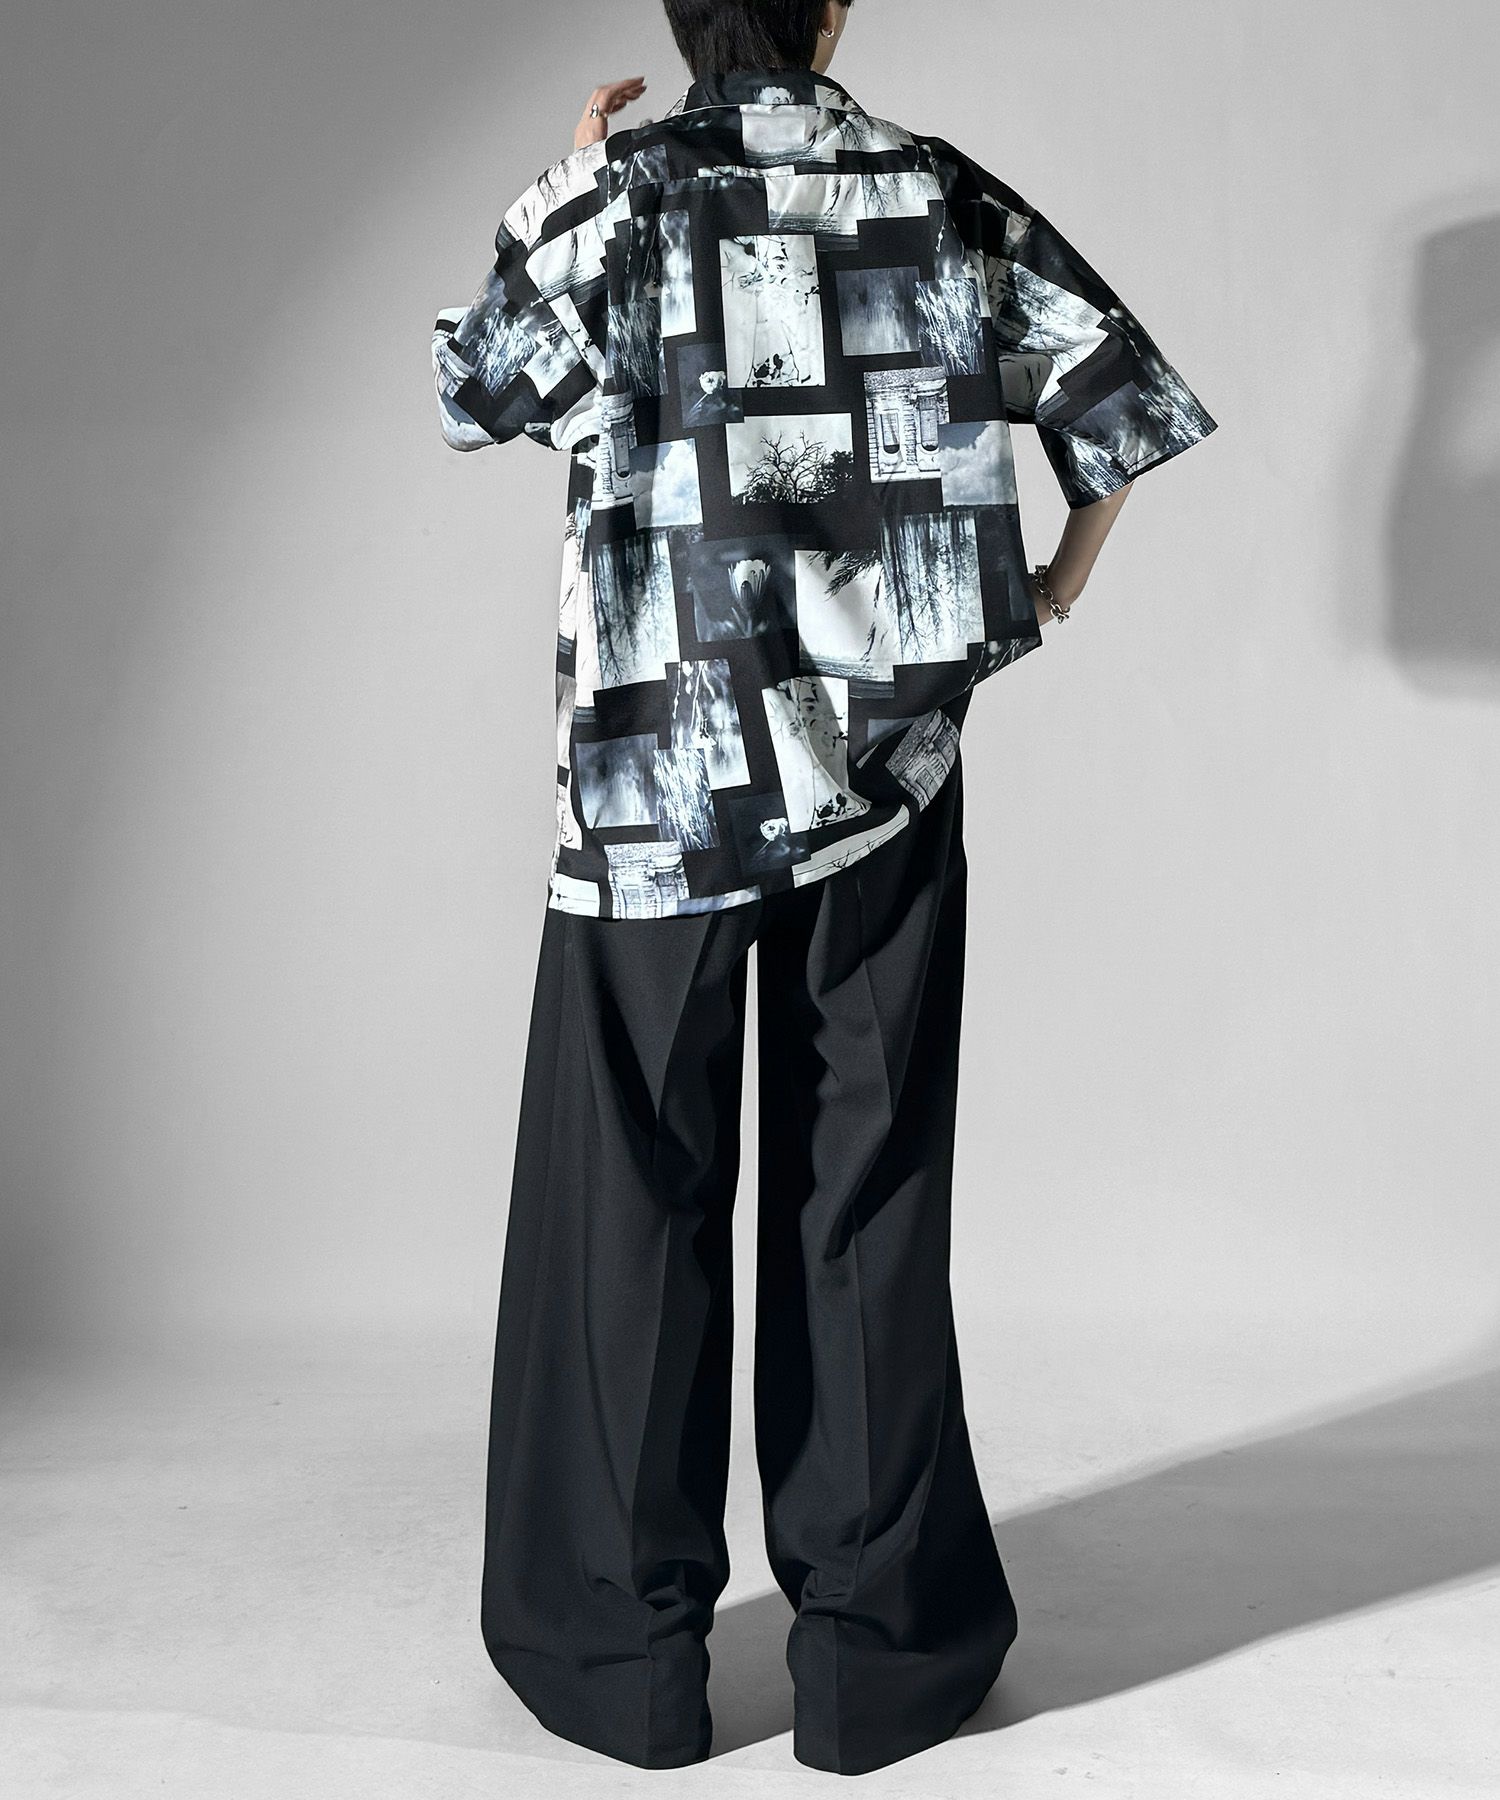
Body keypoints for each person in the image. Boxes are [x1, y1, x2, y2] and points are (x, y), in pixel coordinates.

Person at [431, 0, 1217, 1776]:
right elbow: (1117, 403)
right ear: (835, 5)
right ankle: (877, 1670)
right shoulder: (931, 188)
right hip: (885, 775)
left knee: (630, 1202)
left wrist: (565, 179)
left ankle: (621, 1669)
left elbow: (476, 391)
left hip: (656, 785)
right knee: (864, 1197)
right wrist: (1049, 592)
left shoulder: (618, 200)